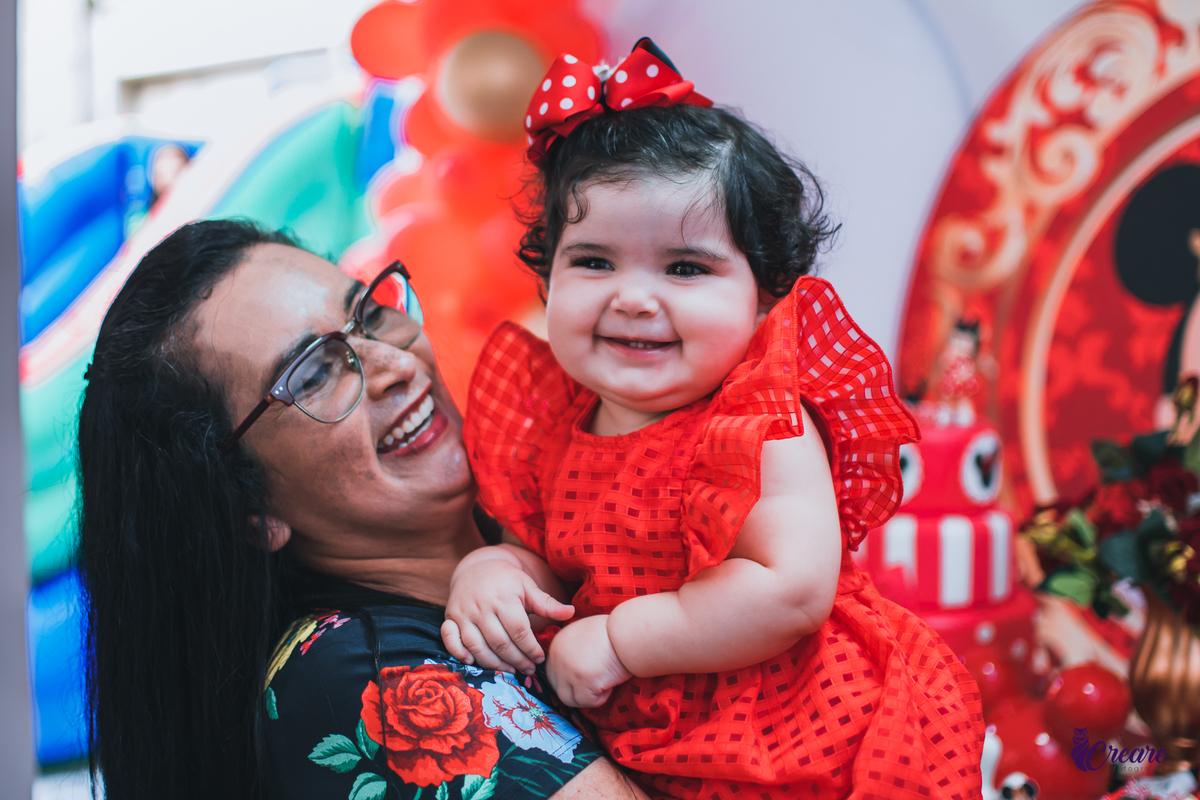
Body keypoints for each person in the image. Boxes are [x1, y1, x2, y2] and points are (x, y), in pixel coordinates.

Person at [444, 39, 985, 799]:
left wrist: (622, 640)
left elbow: (789, 588)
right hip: (655, 739)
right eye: (594, 261)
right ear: (546, 276)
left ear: (764, 297)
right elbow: (549, 557)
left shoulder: (757, 421)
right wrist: (496, 569)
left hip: (797, 726)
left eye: (685, 268)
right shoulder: (551, 424)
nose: (632, 297)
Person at [76, 218, 652, 800]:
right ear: (249, 506)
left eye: (370, 314)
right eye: (314, 373)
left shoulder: (553, 498)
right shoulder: (362, 672)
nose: (393, 364)